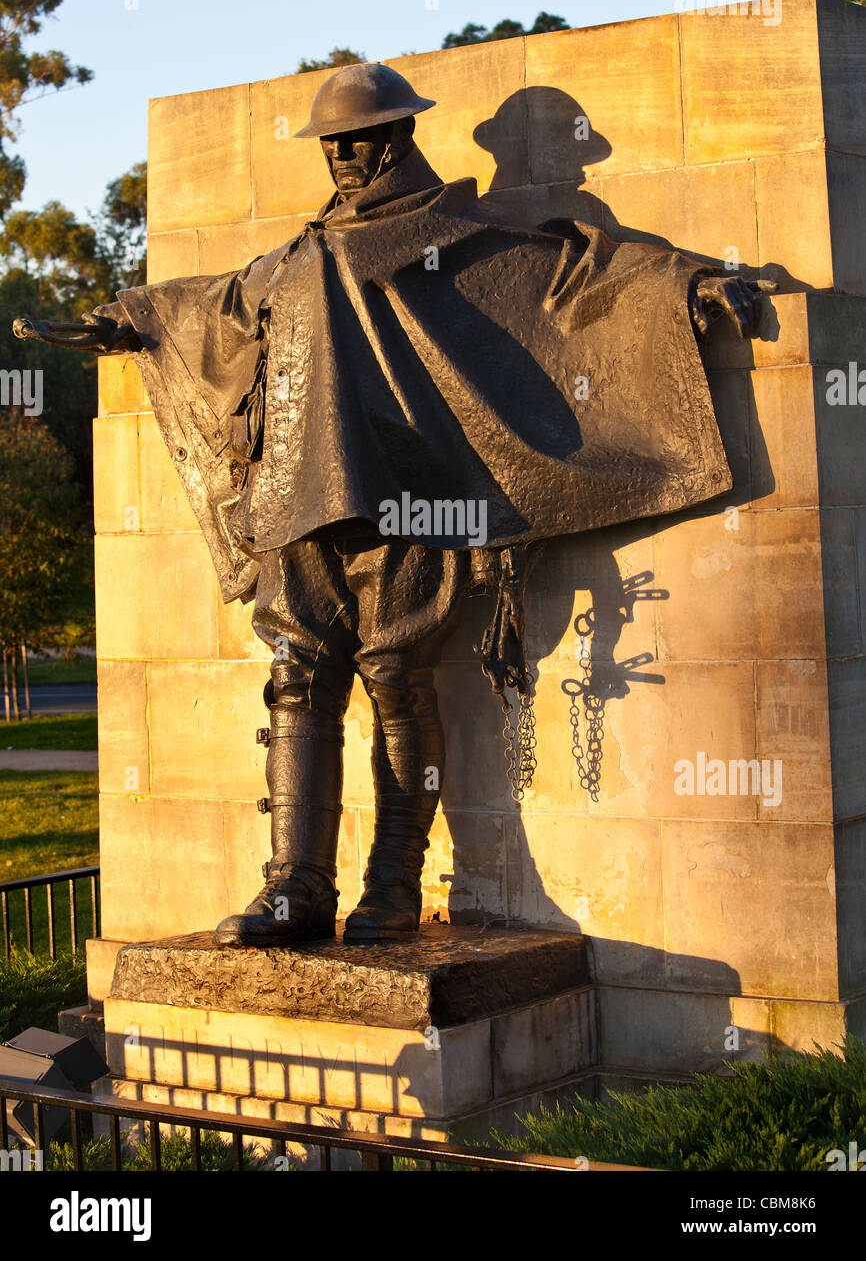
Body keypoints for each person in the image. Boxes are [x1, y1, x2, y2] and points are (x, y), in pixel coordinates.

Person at [14, 62, 764, 946]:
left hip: (410, 490)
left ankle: (394, 888)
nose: (342, 155)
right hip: (297, 492)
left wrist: (689, 285)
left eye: (358, 138)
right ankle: (294, 887)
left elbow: (572, 276)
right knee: (297, 682)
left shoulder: (457, 231)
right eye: (332, 142)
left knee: (396, 679)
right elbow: (216, 305)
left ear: (402, 135)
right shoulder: (299, 253)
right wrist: (131, 314)